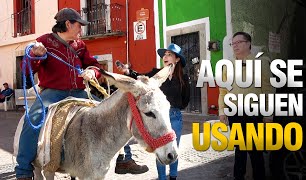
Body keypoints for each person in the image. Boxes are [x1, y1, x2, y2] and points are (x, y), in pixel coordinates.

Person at [15, 8, 103, 180]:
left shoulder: (80, 45)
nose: (81, 29)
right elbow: (26, 71)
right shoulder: (43, 42)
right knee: (32, 118)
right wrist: (34, 55)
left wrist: (93, 72)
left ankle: (123, 158)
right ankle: (23, 170)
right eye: (79, 25)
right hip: (52, 94)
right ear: (68, 24)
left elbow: (94, 65)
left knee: (110, 109)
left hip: (79, 92)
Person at [117, 43, 190, 180]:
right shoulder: (156, 75)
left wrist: (172, 106)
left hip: (174, 117)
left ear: (177, 59)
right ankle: (161, 178)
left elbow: (186, 100)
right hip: (157, 117)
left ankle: (173, 177)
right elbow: (140, 79)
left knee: (173, 150)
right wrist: (128, 72)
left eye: (169, 54)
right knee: (160, 148)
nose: (165, 57)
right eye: (165, 55)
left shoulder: (183, 79)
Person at [218, 31, 275, 180]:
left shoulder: (262, 62)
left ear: (248, 43)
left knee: (255, 151)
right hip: (235, 114)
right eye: (233, 43)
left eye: (238, 42)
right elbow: (223, 90)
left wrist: (268, 115)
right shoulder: (228, 65)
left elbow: (269, 89)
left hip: (254, 113)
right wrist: (222, 111)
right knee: (239, 151)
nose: (235, 46)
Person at [89, 63, 149, 175]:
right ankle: (124, 161)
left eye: (104, 73)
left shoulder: (111, 87)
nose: (103, 76)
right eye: (101, 73)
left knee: (120, 130)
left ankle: (124, 161)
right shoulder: (90, 89)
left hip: (109, 118)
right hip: (98, 120)